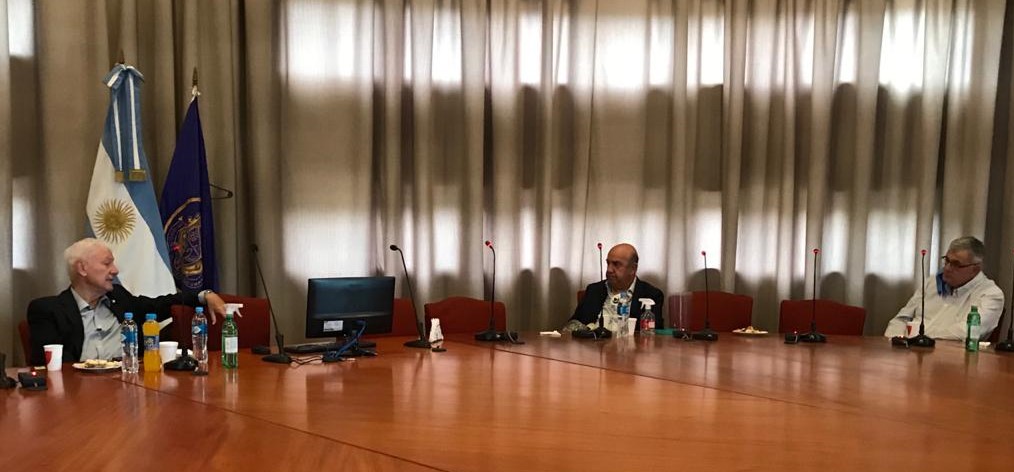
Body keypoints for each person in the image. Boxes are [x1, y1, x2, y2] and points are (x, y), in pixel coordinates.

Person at [27, 238, 227, 366]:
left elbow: (160, 304)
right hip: (77, 396)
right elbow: (53, 368)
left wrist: (204, 295)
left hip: (128, 385)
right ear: (82, 269)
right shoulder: (47, 310)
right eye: (107, 263)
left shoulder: (120, 298)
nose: (115, 270)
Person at [884, 236, 1005, 341]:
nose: (947, 268)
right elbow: (902, 319)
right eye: (947, 261)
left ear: (975, 269)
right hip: (909, 350)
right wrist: (893, 340)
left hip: (950, 356)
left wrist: (920, 337)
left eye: (956, 264)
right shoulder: (931, 283)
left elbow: (966, 332)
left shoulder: (991, 294)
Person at [564, 243, 664, 332]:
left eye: (616, 264)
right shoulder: (594, 290)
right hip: (593, 345)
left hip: (630, 346)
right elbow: (574, 323)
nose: (609, 269)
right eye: (608, 263)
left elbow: (654, 333)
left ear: (633, 268)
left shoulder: (651, 295)